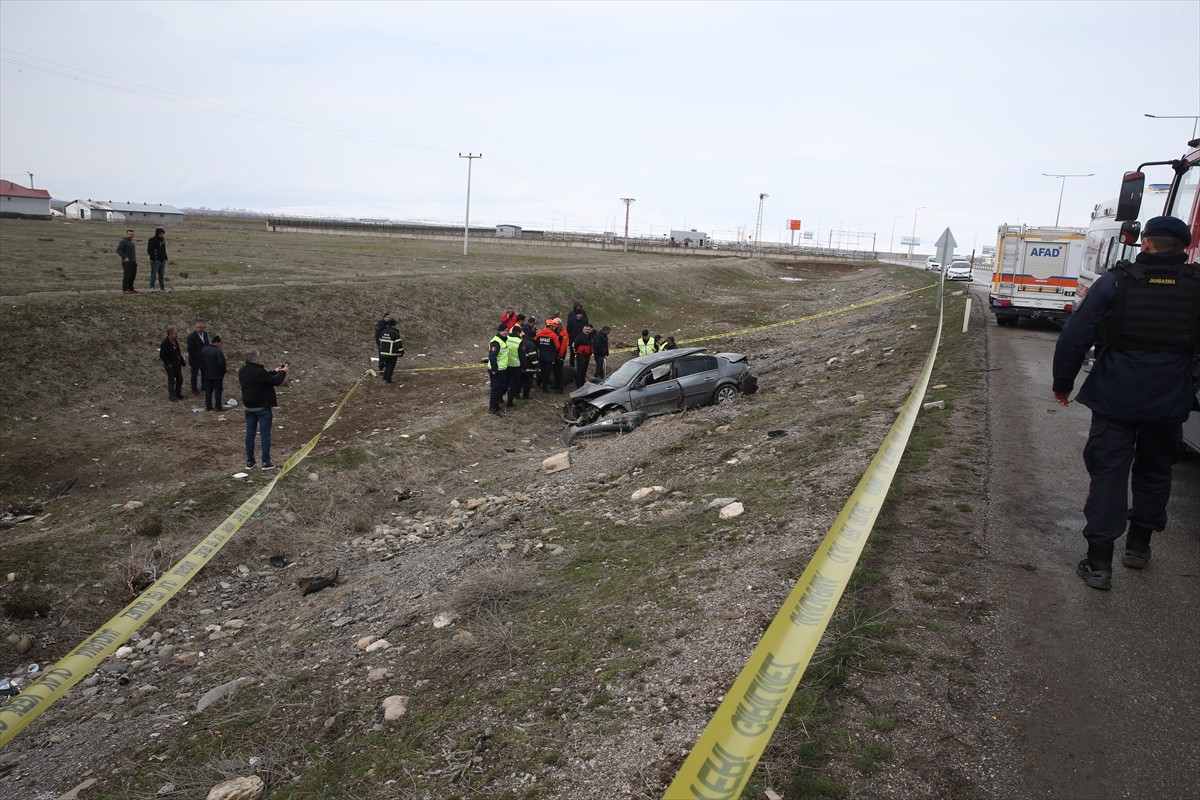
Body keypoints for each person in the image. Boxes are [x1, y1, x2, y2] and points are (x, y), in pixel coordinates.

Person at [1052, 215, 1200, 591]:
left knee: (1109, 473)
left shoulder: (1116, 282)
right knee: (1155, 471)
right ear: (1184, 248)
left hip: (1116, 398)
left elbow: (1075, 334)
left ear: (1145, 242)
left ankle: (1099, 563)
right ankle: (1138, 548)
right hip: (1169, 400)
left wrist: (1063, 384)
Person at [239, 350, 289, 470]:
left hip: (248, 407)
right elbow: (276, 381)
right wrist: (283, 373)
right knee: (265, 434)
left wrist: (274, 372)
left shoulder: (242, 370)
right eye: (259, 357)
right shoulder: (259, 372)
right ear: (254, 359)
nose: (260, 359)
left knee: (250, 434)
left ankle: (250, 462)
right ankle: (266, 461)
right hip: (262, 407)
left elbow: (263, 377)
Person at [487, 325, 510, 416]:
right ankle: (493, 408)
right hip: (496, 370)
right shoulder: (496, 342)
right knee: (495, 389)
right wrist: (494, 369)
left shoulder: (504, 340)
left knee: (500, 388)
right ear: (499, 331)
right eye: (504, 330)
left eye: (507, 330)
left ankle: (496, 406)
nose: (506, 332)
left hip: (502, 369)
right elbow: (492, 356)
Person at [201, 335, 227, 412]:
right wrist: (223, 371)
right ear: (216, 342)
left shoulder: (204, 350)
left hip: (206, 374)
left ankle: (208, 407)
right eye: (220, 343)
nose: (220, 345)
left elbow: (201, 362)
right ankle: (218, 407)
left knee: (208, 391)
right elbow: (221, 363)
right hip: (217, 375)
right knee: (218, 391)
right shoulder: (218, 351)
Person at [158, 326, 185, 402]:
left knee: (180, 379)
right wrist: (169, 363)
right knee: (171, 380)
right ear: (170, 334)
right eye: (175, 334)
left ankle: (178, 393)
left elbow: (177, 352)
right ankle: (172, 395)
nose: (177, 335)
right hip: (170, 365)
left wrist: (182, 361)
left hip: (177, 364)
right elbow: (162, 355)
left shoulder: (175, 341)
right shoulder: (165, 343)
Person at [377, 317, 405, 384]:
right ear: (394, 325)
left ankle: (384, 377)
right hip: (392, 354)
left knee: (386, 365)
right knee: (390, 366)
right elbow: (399, 344)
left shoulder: (383, 332)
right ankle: (388, 379)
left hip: (383, 353)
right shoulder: (395, 333)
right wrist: (402, 351)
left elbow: (380, 341)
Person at [535, 319, 560, 392]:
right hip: (550, 357)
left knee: (540, 371)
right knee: (547, 373)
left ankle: (538, 383)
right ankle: (544, 387)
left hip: (541, 355)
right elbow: (557, 346)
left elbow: (535, 342)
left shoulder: (540, 333)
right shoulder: (553, 335)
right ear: (551, 326)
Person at [186, 322, 209, 397]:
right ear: (195, 328)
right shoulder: (191, 337)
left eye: (201, 327)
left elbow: (206, 344)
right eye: (198, 327)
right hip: (195, 359)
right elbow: (190, 349)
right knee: (194, 375)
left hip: (204, 359)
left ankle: (204, 387)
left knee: (204, 374)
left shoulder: (205, 334)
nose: (199, 329)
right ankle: (194, 390)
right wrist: (197, 356)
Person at [518, 323, 540, 399]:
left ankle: (517, 394)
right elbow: (533, 357)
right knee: (528, 381)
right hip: (529, 367)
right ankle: (525, 395)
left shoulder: (521, 342)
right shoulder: (532, 344)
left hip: (521, 366)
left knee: (520, 380)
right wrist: (537, 367)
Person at [505, 326, 524, 407]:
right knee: (513, 385)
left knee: (504, 382)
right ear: (518, 333)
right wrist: (523, 366)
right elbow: (522, 356)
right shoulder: (520, 342)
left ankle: (500, 398)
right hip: (515, 366)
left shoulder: (506, 338)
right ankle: (510, 402)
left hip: (505, 365)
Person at [147, 228, 169, 292]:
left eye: (163, 234)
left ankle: (162, 288)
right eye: (160, 234)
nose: (162, 235)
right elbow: (149, 250)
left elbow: (163, 249)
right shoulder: (152, 240)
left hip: (162, 260)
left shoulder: (162, 240)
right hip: (156, 260)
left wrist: (165, 257)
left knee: (161, 275)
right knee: (154, 274)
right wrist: (153, 257)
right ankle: (151, 288)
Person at [117, 229, 138, 294]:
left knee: (132, 276)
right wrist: (124, 257)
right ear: (126, 234)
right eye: (129, 234)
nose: (131, 235)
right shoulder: (123, 241)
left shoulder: (131, 242)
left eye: (132, 234)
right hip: (127, 262)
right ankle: (125, 289)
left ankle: (130, 288)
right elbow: (119, 250)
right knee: (127, 276)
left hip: (133, 261)